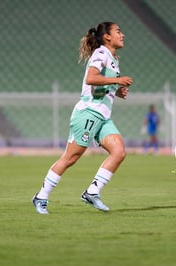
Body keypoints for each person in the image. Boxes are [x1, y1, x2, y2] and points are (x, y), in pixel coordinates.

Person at [31, 22, 133, 214]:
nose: (123, 35)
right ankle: (41, 197)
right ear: (107, 37)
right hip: (87, 114)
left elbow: (99, 86)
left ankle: (92, 192)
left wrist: (116, 91)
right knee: (70, 158)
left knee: (118, 152)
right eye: (118, 31)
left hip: (103, 118)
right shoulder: (101, 54)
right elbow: (91, 78)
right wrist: (117, 80)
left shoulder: (113, 58)